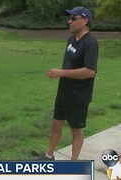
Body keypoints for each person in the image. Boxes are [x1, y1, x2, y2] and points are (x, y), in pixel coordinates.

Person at [36, 6, 99, 160]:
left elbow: (90, 72)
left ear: (85, 21)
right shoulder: (71, 39)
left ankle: (73, 163)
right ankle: (48, 155)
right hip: (64, 92)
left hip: (78, 96)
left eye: (73, 18)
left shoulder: (91, 42)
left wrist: (62, 73)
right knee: (56, 124)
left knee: (76, 131)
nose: (69, 21)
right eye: (69, 18)